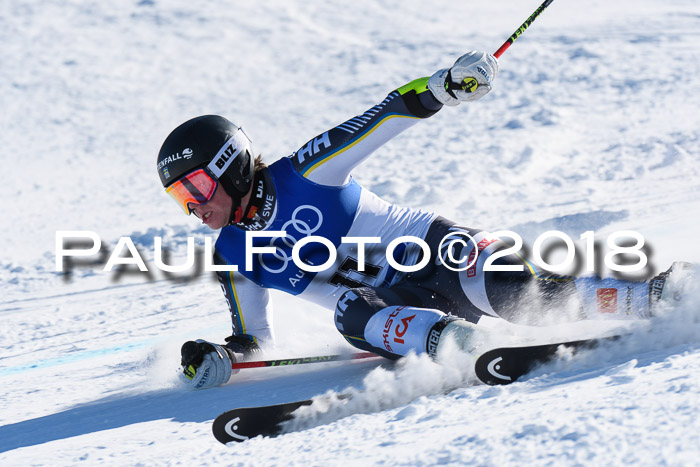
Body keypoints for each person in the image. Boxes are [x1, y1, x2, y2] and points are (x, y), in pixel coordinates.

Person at [157, 51, 690, 389]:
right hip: (396, 316)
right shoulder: (232, 256)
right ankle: (460, 348)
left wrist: (443, 86)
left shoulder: (305, 172)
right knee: (350, 313)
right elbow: (252, 341)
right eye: (181, 198)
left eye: (196, 187)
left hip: (438, 254)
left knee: (514, 292)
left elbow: (385, 114)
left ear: (230, 167)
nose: (194, 206)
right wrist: (220, 357)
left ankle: (662, 295)